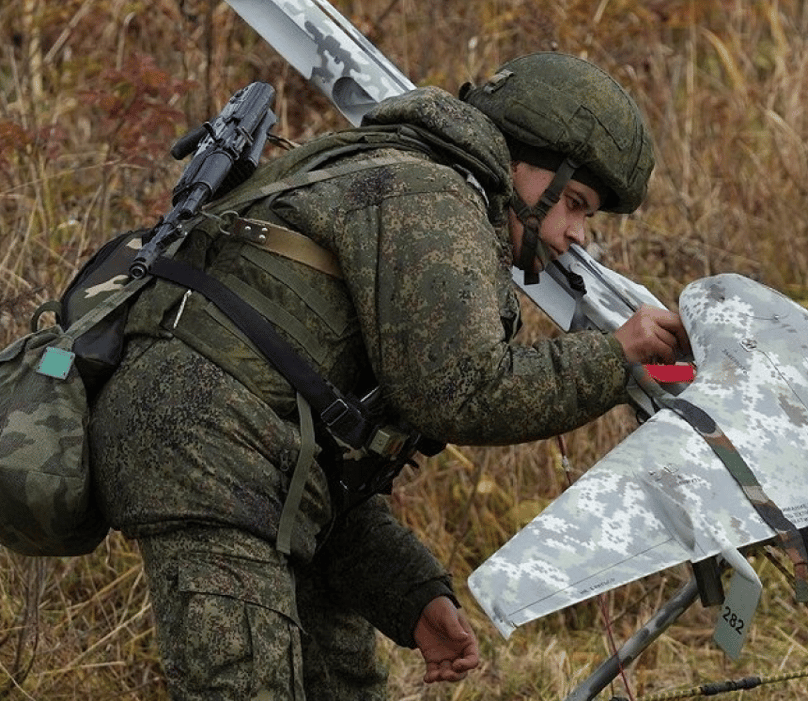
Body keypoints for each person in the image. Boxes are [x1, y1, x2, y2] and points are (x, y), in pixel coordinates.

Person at [88, 51, 689, 699]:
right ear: (525, 160)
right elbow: (463, 392)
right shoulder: (431, 195)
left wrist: (411, 595)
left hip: (246, 461)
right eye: (573, 203)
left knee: (345, 684)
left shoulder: (402, 175)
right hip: (207, 456)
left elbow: (324, 463)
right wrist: (612, 354)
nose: (573, 234)